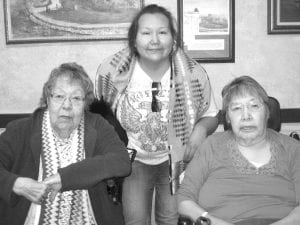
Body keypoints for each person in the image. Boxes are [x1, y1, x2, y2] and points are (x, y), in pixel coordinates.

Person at [95, 4, 219, 225]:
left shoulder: (193, 74)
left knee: (170, 221)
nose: (155, 40)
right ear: (134, 39)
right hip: (133, 161)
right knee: (134, 221)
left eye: (162, 32)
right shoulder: (111, 72)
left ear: (173, 39)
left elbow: (212, 115)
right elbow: (98, 118)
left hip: (178, 161)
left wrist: (200, 130)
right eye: (146, 33)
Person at [0, 62, 131, 225]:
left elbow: (121, 161)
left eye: (76, 98)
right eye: (59, 96)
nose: (67, 106)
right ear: (48, 98)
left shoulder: (97, 125)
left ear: (85, 103)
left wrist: (66, 178)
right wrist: (15, 183)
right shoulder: (22, 130)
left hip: (89, 218)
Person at [178, 76, 300, 225]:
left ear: (267, 112)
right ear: (228, 117)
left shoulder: (293, 149)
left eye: (254, 106)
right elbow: (184, 200)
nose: (246, 116)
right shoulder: (211, 146)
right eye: (236, 108)